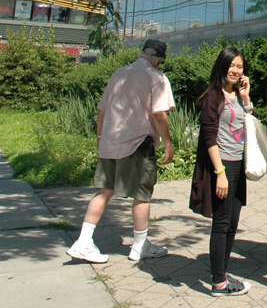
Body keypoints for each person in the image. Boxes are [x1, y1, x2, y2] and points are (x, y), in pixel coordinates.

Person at [67, 39, 174, 264]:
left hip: (110, 141)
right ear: (160, 59)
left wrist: (99, 138)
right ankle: (140, 245)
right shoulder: (157, 78)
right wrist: (167, 143)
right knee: (142, 196)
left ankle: (84, 241)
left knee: (103, 191)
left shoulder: (118, 73)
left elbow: (101, 109)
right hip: (137, 144)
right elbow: (159, 114)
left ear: (142, 53)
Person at [189, 47, 253, 296]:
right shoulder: (213, 97)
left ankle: (222, 274)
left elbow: (248, 123)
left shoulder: (238, 95)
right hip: (223, 164)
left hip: (238, 163)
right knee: (222, 223)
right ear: (222, 67)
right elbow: (209, 137)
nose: (236, 70)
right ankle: (218, 283)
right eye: (232, 66)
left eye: (240, 67)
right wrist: (220, 172)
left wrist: (246, 98)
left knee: (232, 223)